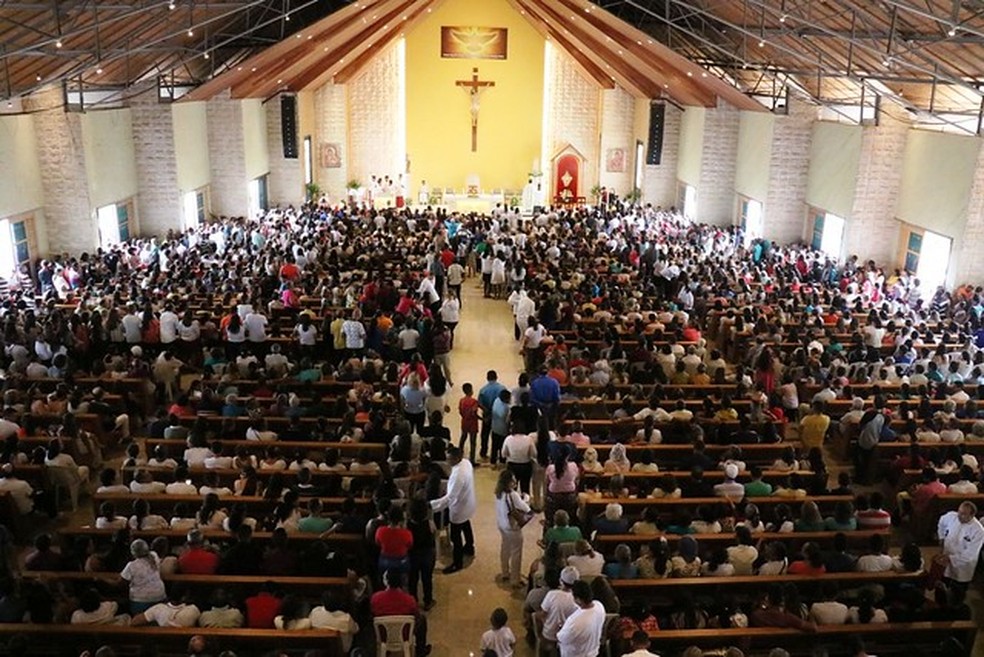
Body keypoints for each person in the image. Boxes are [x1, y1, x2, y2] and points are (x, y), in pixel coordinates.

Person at [430, 446, 476, 574]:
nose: (446, 461)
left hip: (459, 508)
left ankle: (457, 562)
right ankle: (469, 547)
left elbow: (450, 498)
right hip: (468, 502)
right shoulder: (466, 463)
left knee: (456, 537)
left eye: (448, 459)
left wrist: (432, 505)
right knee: (466, 524)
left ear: (456, 458)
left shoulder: (457, 475)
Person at [371, 569, 431, 656]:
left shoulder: (375, 599)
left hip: (383, 634)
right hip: (404, 635)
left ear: (386, 581)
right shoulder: (409, 600)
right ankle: (420, 652)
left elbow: (373, 613)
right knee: (422, 619)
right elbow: (416, 617)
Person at [495, 469, 532, 588]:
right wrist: (526, 498)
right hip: (512, 527)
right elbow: (525, 508)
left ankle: (505, 572)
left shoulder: (498, 493)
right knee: (516, 553)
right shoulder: (513, 495)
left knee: (505, 547)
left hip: (502, 524)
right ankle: (515, 580)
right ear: (509, 482)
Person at [936, 500, 984, 592]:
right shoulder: (951, 516)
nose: (959, 515)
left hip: (963, 565)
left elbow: (970, 555)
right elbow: (941, 523)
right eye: (959, 511)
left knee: (958, 590)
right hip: (946, 559)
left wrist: (951, 558)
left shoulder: (979, 531)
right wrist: (941, 538)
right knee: (942, 586)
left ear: (972, 515)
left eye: (963, 514)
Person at [556, 579, 606, 657]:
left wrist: (561, 628)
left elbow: (561, 638)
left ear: (578, 599)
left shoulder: (574, 622)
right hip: (593, 652)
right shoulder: (599, 606)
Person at [120, 539, 165, 614]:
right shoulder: (154, 556)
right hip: (160, 596)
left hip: (140, 601)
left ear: (133, 552)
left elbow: (121, 583)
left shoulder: (131, 565)